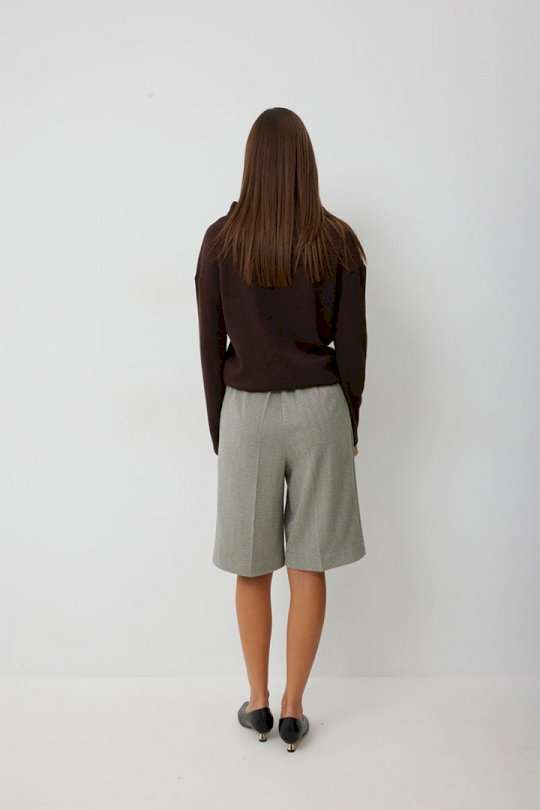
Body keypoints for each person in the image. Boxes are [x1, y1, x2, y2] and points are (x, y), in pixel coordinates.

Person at [195, 107, 367, 752]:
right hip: (321, 409)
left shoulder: (222, 240)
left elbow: (210, 342)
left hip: (247, 410)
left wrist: (221, 424)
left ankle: (259, 701)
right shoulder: (337, 240)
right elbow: (353, 344)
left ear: (252, 162)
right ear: (305, 163)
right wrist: (349, 419)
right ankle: (295, 706)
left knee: (251, 564)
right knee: (309, 563)